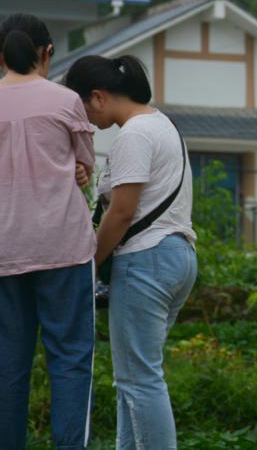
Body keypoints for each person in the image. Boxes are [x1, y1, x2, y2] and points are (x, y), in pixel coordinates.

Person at [64, 54, 197, 450]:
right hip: (176, 256)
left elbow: (121, 212)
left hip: (145, 258)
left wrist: (91, 263)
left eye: (84, 109)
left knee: (140, 380)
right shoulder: (163, 124)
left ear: (98, 96)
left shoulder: (134, 134)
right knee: (133, 379)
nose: (87, 122)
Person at [0, 14, 96, 450]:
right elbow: (84, 163)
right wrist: (76, 169)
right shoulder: (65, 100)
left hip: (5, 249)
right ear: (47, 52)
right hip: (63, 246)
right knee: (71, 358)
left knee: (7, 363)